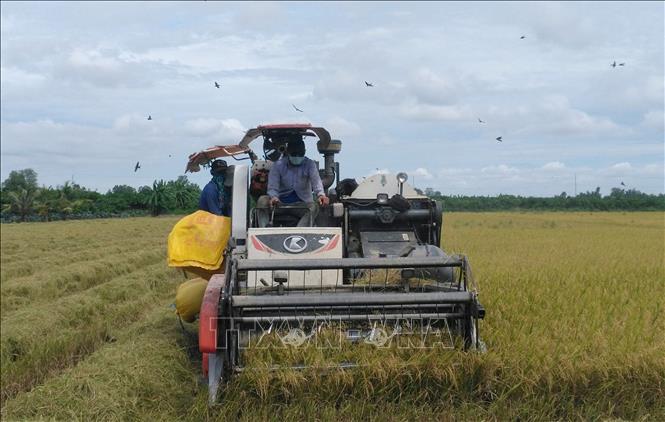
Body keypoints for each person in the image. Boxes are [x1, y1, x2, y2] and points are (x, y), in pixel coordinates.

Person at [256, 137, 329, 227]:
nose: (297, 157)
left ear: (305, 152)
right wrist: (274, 197)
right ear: (288, 152)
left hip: (301, 204)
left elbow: (316, 182)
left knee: (314, 207)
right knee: (262, 201)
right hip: (279, 204)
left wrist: (321, 195)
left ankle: (299, 232)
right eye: (294, 154)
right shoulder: (278, 165)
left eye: (300, 154)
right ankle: (263, 231)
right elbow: (272, 186)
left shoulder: (310, 164)